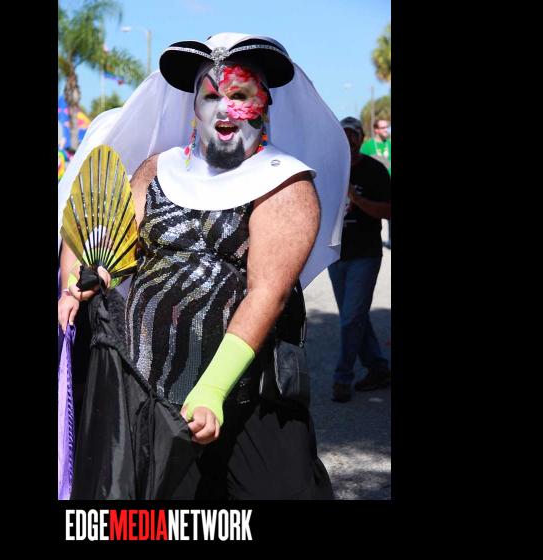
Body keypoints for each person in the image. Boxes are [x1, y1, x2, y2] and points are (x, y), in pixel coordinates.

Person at [57, 32, 350, 499]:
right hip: (148, 391)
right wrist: (87, 281)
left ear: (265, 102)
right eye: (211, 96)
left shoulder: (285, 183)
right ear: (193, 104)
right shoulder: (157, 169)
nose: (224, 109)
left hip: (247, 396)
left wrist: (213, 388)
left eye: (240, 95)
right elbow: (122, 252)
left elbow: (268, 293)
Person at [329, 117, 391, 403]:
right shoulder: (330, 169)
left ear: (361, 139)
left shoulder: (374, 170)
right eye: (343, 137)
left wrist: (355, 198)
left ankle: (342, 377)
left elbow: (387, 211)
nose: (348, 142)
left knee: (351, 318)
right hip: (336, 254)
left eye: (353, 136)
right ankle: (378, 368)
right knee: (354, 317)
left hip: (365, 254)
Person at [360, 118, 391, 248]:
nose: (386, 130)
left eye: (387, 127)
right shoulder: (367, 146)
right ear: (376, 130)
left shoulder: (390, 144)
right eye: (383, 127)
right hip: (374, 187)